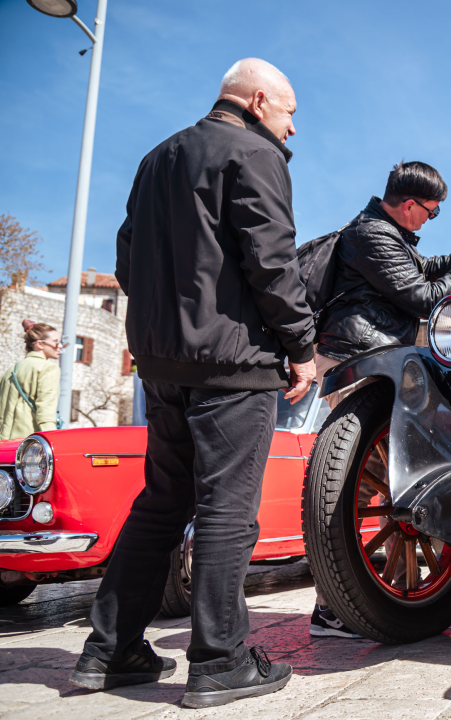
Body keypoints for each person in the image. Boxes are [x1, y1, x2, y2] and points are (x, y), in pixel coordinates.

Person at [71, 58, 316, 709]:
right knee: (227, 510)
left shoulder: (159, 158)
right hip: (234, 367)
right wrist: (303, 348)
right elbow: (272, 263)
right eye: (290, 114)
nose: (293, 131)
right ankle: (219, 660)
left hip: (164, 366)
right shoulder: (255, 153)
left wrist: (172, 327)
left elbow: (128, 258)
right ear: (261, 100)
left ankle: (110, 650)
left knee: (161, 504)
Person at [308, 161, 451, 637]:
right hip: (359, 358)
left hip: (371, 357)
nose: (429, 222)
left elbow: (422, 269)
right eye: (430, 214)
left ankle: (359, 600)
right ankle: (335, 607)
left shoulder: (385, 235)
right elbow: (420, 297)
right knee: (360, 484)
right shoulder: (371, 235)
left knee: (375, 484)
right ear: (409, 205)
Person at [0, 322, 62, 441]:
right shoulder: (48, 368)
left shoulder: (9, 371)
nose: (60, 346)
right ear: (40, 344)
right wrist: (53, 441)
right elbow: (46, 412)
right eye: (55, 342)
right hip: (29, 446)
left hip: (3, 442)